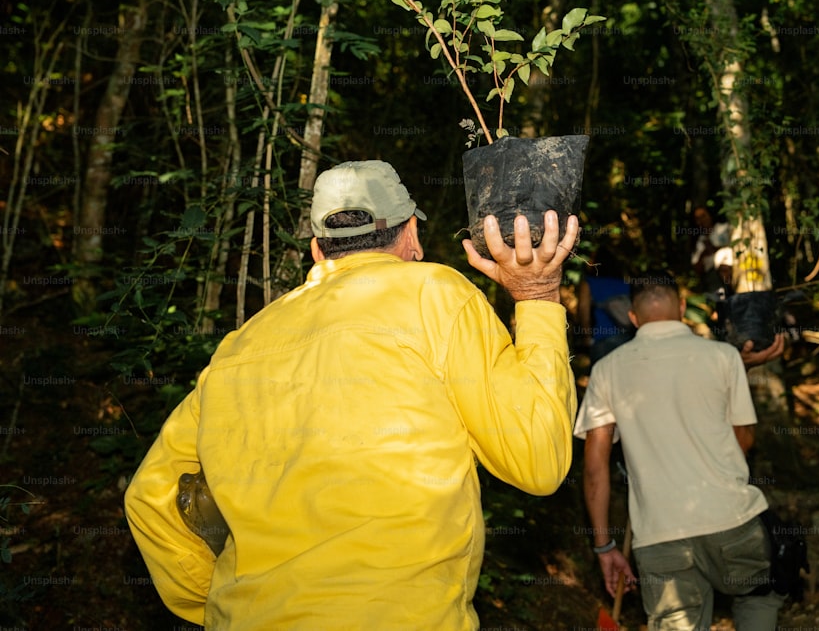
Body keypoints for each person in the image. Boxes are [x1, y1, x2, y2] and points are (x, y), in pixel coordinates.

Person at [124, 160, 580, 630]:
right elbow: (539, 459)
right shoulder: (435, 296)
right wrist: (537, 295)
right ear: (412, 237)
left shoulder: (241, 344)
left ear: (317, 250)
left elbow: (149, 498)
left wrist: (218, 607)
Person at [577, 271, 785, 630]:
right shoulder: (724, 358)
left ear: (633, 317)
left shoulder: (606, 371)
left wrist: (604, 546)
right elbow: (744, 440)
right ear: (684, 307)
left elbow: (595, 468)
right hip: (733, 521)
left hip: (658, 536)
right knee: (757, 595)